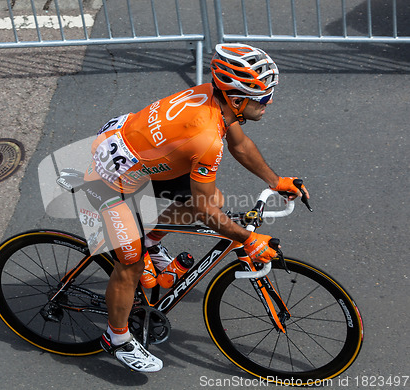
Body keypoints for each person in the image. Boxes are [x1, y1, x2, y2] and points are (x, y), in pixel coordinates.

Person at [82, 43, 309, 372]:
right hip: (107, 180)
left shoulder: (215, 98)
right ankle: (116, 339)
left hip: (137, 154)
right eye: (261, 97)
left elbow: (241, 145)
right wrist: (247, 238)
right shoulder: (206, 138)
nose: (269, 102)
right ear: (236, 98)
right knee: (130, 264)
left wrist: (275, 181)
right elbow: (203, 211)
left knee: (214, 197)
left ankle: (149, 239)